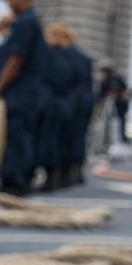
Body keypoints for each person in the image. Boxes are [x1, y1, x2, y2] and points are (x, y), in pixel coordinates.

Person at [0, 0, 50, 196]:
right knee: (21, 136)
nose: (9, 4)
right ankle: (18, 180)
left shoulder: (24, 23)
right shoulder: (32, 22)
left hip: (22, 93)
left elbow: (16, 59)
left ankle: (14, 184)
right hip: (30, 92)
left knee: (17, 137)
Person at [37, 22, 80, 191]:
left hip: (55, 104)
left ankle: (52, 177)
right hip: (65, 104)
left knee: (52, 141)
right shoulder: (74, 57)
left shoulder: (57, 57)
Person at [50, 23, 94, 185]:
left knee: (62, 138)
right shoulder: (83, 58)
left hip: (68, 101)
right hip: (82, 102)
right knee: (78, 137)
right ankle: (75, 171)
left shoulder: (61, 57)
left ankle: (64, 173)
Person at [97, 64, 129, 147]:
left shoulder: (117, 80)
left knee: (119, 124)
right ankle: (105, 143)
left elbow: (125, 90)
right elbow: (100, 97)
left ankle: (120, 143)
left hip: (119, 106)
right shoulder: (104, 83)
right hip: (108, 108)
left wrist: (115, 93)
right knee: (106, 125)